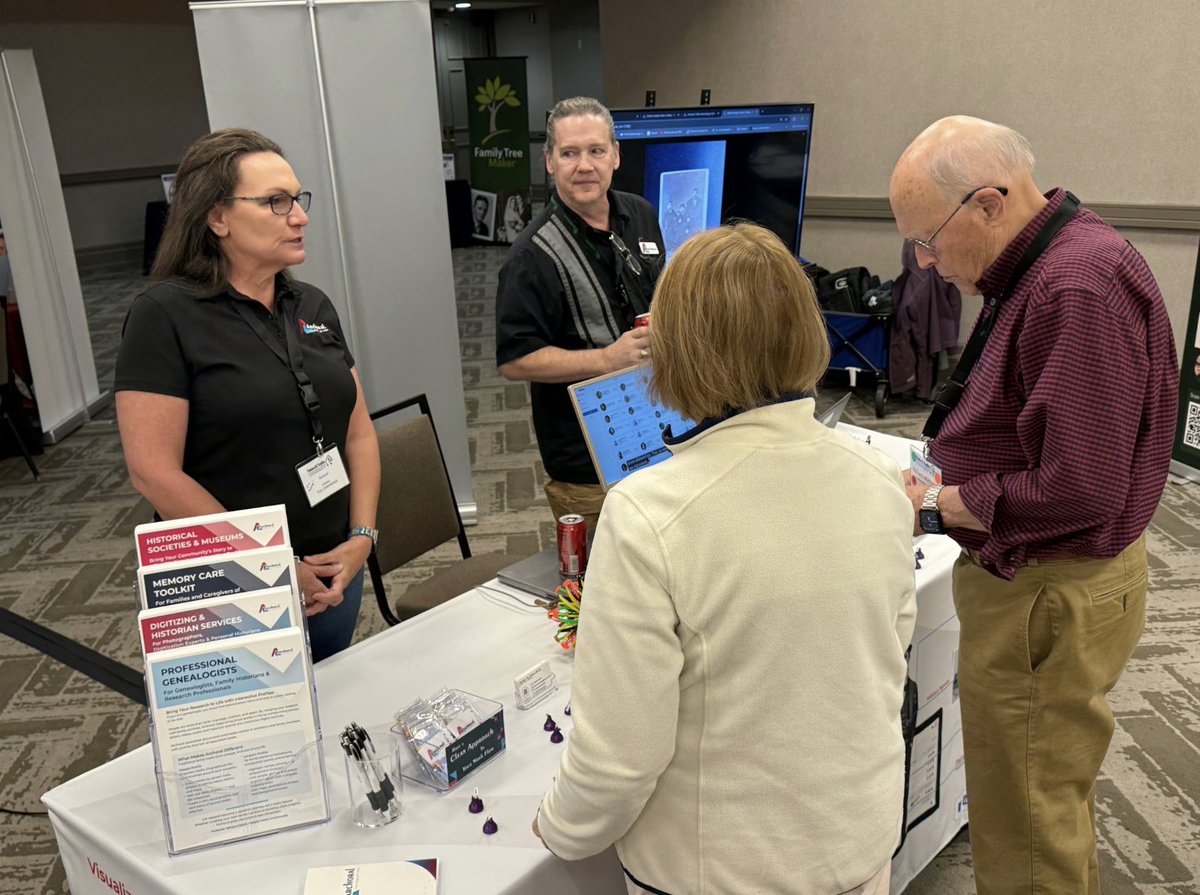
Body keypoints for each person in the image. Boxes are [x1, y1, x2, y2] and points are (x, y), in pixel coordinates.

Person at [532, 222, 917, 895]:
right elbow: (887, 647)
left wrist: (561, 826)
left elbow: (621, 756)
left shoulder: (648, 511)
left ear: (676, 347)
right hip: (858, 840)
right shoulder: (878, 477)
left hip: (719, 867)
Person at [889, 116, 1178, 894]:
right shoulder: (1054, 258)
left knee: (1025, 827)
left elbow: (1080, 486)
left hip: (1047, 590)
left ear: (988, 204)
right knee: (1046, 801)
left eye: (927, 239)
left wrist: (946, 502)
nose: (922, 262)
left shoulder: (1074, 286)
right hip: (1057, 581)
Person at [114, 128, 381, 663]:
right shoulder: (165, 315)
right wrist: (274, 566)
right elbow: (153, 471)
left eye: (297, 200)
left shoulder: (311, 303)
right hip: (230, 583)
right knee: (257, 742)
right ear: (217, 218)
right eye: (275, 202)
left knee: (333, 701)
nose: (300, 216)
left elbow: (358, 431)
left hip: (333, 567)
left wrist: (362, 537)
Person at [495, 96, 664, 530]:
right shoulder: (530, 256)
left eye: (595, 151)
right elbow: (515, 360)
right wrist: (606, 360)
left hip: (659, 431)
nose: (584, 165)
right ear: (549, 162)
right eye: (569, 153)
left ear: (616, 155)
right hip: (587, 463)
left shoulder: (641, 214)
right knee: (600, 587)